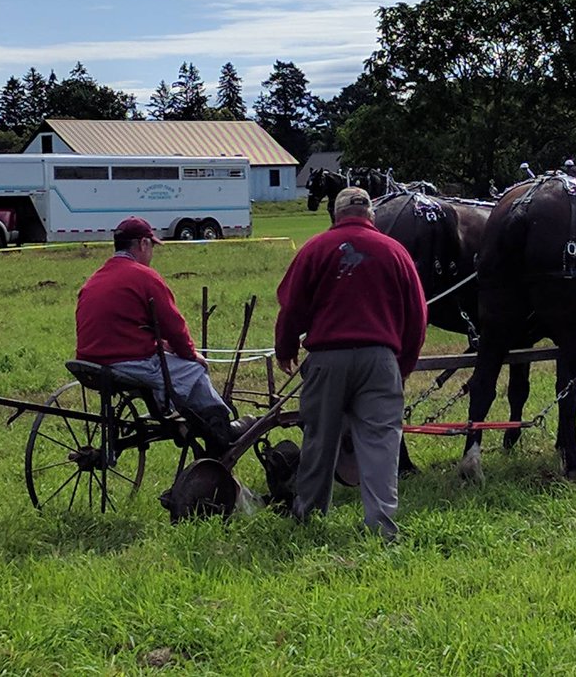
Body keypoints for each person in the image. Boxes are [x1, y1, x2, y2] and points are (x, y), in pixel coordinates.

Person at [273, 187, 427, 539]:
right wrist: (401, 366)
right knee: (381, 443)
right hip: (380, 358)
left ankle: (308, 516)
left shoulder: (314, 249)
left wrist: (285, 349)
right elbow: (417, 318)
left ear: (337, 215)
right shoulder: (395, 252)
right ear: (371, 216)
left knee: (319, 439)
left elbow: (292, 307)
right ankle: (381, 525)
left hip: (327, 359)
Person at [75, 216, 247, 453]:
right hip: (129, 364)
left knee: (174, 364)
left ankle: (186, 417)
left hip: (90, 361)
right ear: (143, 244)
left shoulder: (95, 278)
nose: (152, 253)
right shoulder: (145, 276)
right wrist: (190, 353)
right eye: (152, 246)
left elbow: (122, 325)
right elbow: (174, 326)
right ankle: (220, 429)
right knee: (194, 370)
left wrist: (157, 343)